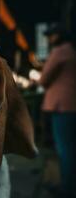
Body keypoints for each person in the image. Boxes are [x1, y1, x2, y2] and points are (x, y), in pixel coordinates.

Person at [38, 24, 76, 197]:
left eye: (51, 35)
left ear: (58, 35)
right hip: (72, 105)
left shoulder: (59, 52)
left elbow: (44, 79)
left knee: (64, 149)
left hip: (61, 107)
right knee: (70, 147)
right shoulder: (72, 51)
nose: (49, 39)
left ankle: (67, 188)